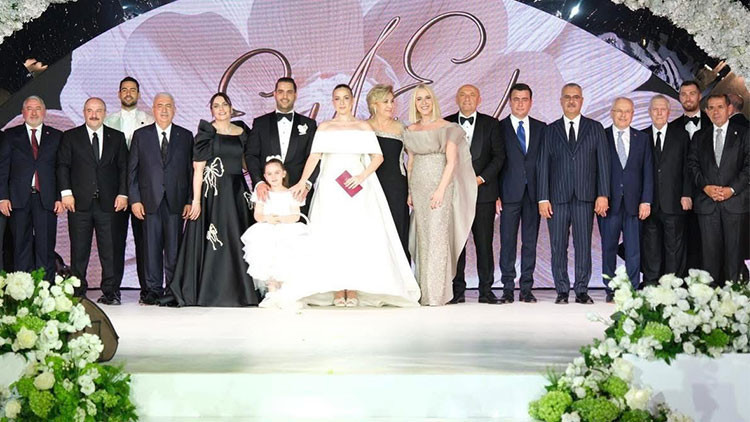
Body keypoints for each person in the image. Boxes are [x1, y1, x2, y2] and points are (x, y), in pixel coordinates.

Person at [286, 84, 420, 307]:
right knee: (334, 235)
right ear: (333, 101)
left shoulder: (362, 127)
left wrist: (361, 176)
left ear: (352, 100)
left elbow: (378, 157)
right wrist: (302, 181)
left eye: (346, 98)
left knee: (357, 235)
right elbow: (314, 157)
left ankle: (354, 288)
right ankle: (338, 289)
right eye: (337, 98)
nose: (342, 102)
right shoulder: (325, 127)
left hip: (357, 187)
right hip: (330, 187)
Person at [166, 93, 258, 307]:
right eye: (216, 106)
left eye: (224, 105)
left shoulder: (242, 131)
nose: (221, 109)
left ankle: (241, 291)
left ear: (231, 108)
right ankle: (211, 290)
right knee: (214, 239)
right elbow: (198, 169)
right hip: (213, 193)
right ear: (211, 110)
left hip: (237, 192)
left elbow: (246, 163)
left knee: (238, 238)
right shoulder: (207, 132)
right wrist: (196, 201)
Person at [403, 84, 477, 306]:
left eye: (427, 98)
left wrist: (440, 190)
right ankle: (424, 292)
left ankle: (436, 294)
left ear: (433, 100)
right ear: (414, 104)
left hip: (440, 187)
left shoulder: (448, 128)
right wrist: (410, 190)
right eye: (419, 99)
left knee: (437, 237)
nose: (424, 103)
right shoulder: (410, 130)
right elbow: (411, 162)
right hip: (419, 188)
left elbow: (452, 162)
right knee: (423, 238)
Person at [537, 83, 610, 305]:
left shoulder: (595, 128)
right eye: (567, 97)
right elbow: (543, 165)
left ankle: (581, 290)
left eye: (575, 97)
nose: (571, 101)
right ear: (561, 101)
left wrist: (603, 194)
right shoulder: (550, 130)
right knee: (558, 245)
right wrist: (543, 197)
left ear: (582, 101)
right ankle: (561, 290)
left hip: (585, 197)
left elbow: (603, 163)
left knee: (583, 245)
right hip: (557, 198)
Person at [57, 97, 128, 301]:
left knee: (110, 251)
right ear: (84, 112)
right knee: (79, 250)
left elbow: (124, 167)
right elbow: (62, 166)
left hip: (109, 204)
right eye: (90, 110)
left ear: (105, 113)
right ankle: (78, 291)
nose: (94, 114)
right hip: (79, 204)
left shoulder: (117, 137)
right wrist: (66, 193)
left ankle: (111, 292)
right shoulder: (71, 136)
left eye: (98, 110)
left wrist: (123, 194)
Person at [128, 92, 193, 305]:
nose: (164, 110)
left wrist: (189, 200)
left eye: (168, 105)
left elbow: (190, 171)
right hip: (149, 201)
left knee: (174, 250)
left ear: (174, 109)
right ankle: (152, 290)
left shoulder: (185, 136)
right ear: (153, 109)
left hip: (176, 201)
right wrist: (135, 199)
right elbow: (132, 170)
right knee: (151, 248)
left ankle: (172, 291)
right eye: (159, 105)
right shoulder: (141, 135)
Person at [444, 84, 505, 304]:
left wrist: (480, 179)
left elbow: (499, 157)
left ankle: (486, 291)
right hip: (455, 194)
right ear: (456, 99)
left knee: (484, 243)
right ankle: (456, 291)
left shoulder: (492, 124)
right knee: (456, 244)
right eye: (463, 95)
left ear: (479, 100)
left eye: (472, 95)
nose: (467, 98)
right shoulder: (446, 123)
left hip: (483, 194)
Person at [687, 94, 749, 284]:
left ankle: (734, 295)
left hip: (735, 203)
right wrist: (705, 187)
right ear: (706, 111)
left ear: (729, 109)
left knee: (734, 255)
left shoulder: (745, 134)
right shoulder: (700, 136)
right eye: (711, 108)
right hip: (708, 204)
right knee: (709, 257)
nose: (716, 112)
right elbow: (692, 165)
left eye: (720, 107)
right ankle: (710, 296)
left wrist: (732, 189)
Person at [0, 96, 63, 279]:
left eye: (37, 108)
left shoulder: (56, 136)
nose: (34, 113)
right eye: (29, 108)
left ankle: (46, 288)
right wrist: (3, 197)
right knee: (21, 246)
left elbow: (60, 169)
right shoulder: (10, 135)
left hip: (47, 199)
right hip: (18, 200)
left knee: (46, 247)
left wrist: (59, 197)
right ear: (23, 112)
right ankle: (23, 289)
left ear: (44, 112)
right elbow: (3, 168)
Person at [104, 76, 154, 302]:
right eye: (124, 89)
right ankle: (112, 291)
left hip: (142, 192)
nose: (128, 93)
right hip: (115, 192)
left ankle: (148, 291)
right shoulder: (107, 121)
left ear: (138, 94)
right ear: (118, 94)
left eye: (132, 90)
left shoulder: (149, 120)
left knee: (144, 242)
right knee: (114, 242)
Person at [598, 97, 653, 302]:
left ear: (633, 114)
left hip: (634, 204)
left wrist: (646, 200)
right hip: (608, 204)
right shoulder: (601, 137)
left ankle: (632, 288)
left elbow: (648, 171)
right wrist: (600, 195)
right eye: (619, 111)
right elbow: (595, 170)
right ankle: (611, 289)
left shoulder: (642, 139)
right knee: (608, 248)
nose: (623, 115)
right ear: (612, 113)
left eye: (627, 111)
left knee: (633, 250)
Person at [497, 83, 545, 303]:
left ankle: (526, 287)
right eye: (516, 99)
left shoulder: (541, 128)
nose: (520, 104)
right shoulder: (499, 127)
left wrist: (544, 194)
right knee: (507, 241)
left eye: (524, 99)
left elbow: (545, 164)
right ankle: (507, 287)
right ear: (510, 102)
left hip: (533, 194)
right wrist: (496, 194)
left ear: (531, 102)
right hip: (508, 193)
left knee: (530, 242)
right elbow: (496, 162)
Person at [241, 158, 307, 308]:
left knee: (286, 256)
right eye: (269, 174)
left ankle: (285, 293)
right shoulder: (262, 194)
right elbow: (257, 215)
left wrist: (282, 219)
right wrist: (267, 218)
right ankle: (272, 292)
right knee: (267, 256)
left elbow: (296, 216)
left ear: (284, 173)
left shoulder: (291, 193)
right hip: (267, 229)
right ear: (265, 176)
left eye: (277, 172)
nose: (273, 176)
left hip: (287, 229)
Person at [246, 77, 318, 215]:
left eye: (289, 92)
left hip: (299, 193)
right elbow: (251, 155)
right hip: (267, 193)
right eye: (281, 92)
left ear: (295, 95)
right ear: (274, 94)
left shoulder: (309, 124)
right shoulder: (260, 123)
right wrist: (259, 182)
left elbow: (315, 157)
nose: (285, 96)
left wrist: (307, 184)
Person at [641, 95, 692, 286]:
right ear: (649, 112)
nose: (659, 112)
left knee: (674, 247)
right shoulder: (641, 136)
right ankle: (651, 284)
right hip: (649, 203)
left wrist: (686, 194)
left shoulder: (681, 135)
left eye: (663, 109)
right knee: (651, 246)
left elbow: (687, 167)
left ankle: (673, 285)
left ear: (669, 112)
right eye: (655, 109)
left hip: (674, 200)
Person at [366, 84, 409, 256]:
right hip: (370, 185)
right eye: (386, 102)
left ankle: (401, 271)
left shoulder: (401, 127)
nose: (391, 105)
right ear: (374, 104)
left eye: (392, 101)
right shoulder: (363, 127)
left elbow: (413, 158)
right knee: (373, 228)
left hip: (396, 186)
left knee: (397, 227)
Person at [674, 80, 708, 271]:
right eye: (684, 94)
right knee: (681, 242)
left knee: (708, 242)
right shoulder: (671, 128)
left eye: (692, 93)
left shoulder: (714, 124)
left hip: (709, 195)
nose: (688, 98)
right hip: (679, 195)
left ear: (700, 96)